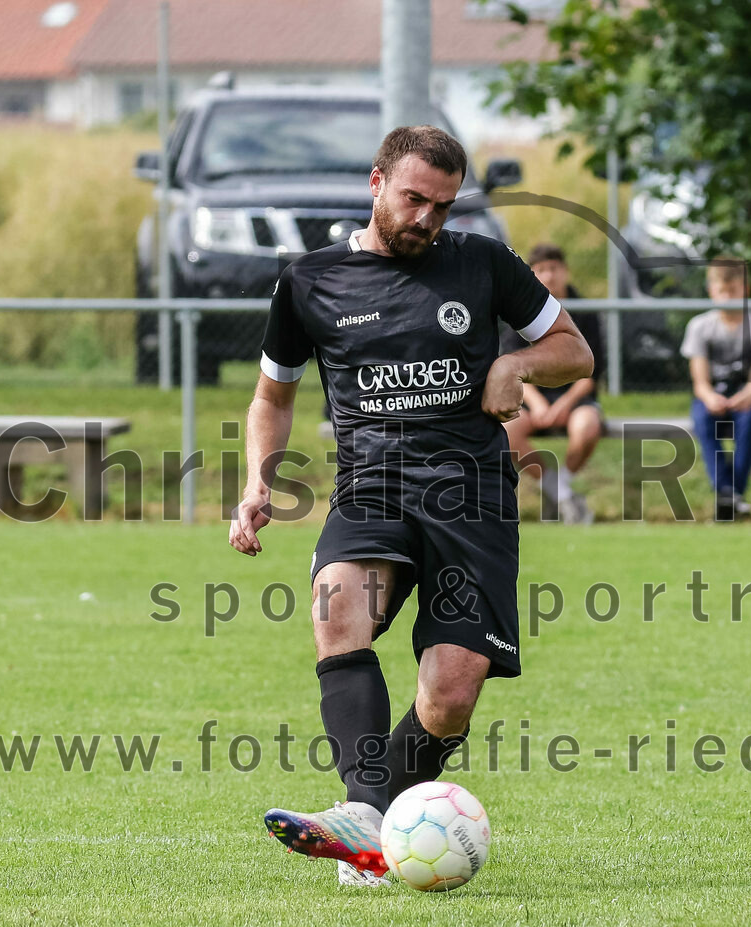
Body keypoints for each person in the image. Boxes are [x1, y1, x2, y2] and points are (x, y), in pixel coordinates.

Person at [228, 126, 593, 886]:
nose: (428, 218)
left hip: (472, 496)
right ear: (377, 183)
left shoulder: (483, 263)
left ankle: (369, 825)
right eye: (414, 198)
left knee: (452, 692)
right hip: (373, 485)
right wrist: (257, 479)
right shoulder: (309, 280)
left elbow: (575, 350)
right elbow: (272, 395)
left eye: (443, 205)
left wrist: (516, 362)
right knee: (336, 610)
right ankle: (366, 814)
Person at [500, 243, 606, 524]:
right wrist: (538, 404)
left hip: (574, 398)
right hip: (532, 397)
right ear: (532, 274)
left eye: (554, 269)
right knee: (507, 432)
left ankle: (560, 490)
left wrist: (562, 404)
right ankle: (563, 495)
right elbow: (512, 365)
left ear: (565, 271)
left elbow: (593, 375)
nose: (549, 276)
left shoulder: (586, 312)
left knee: (587, 428)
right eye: (542, 270)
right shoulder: (519, 309)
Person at [681, 260, 751, 520]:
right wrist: (710, 397)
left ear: (745, 289)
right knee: (703, 419)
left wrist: (745, 396)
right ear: (711, 290)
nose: (727, 297)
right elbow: (700, 382)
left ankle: (731, 495)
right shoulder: (699, 326)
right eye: (722, 290)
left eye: (733, 290)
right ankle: (727, 492)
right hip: (714, 395)